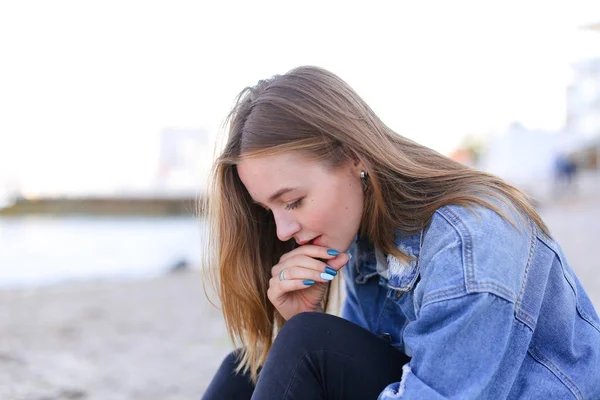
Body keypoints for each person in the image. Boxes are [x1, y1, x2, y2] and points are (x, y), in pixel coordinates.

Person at [201, 66, 600, 399]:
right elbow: (336, 374)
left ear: (354, 155)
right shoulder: (369, 236)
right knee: (246, 370)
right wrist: (304, 319)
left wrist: (306, 339)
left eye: (293, 201)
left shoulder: (469, 241)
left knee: (307, 345)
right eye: (268, 209)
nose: (283, 230)